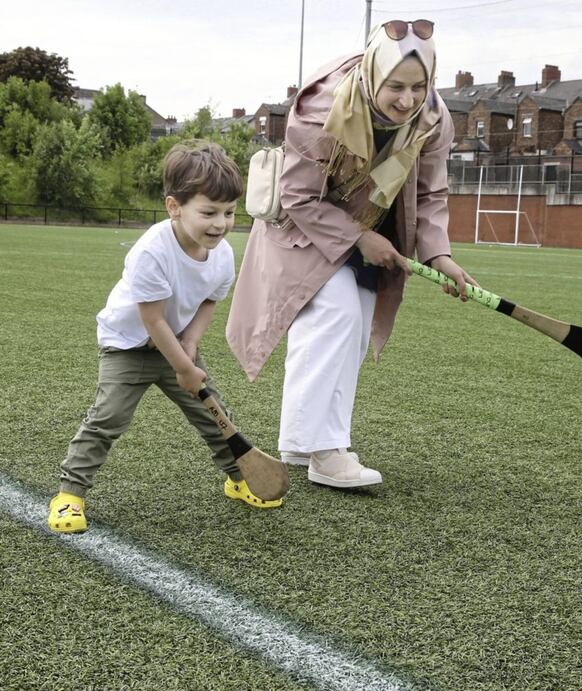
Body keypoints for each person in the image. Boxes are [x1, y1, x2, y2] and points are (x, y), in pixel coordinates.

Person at [227, 19, 476, 489]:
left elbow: (431, 194)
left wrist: (439, 254)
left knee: (356, 324)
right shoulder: (323, 107)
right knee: (336, 314)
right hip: (305, 225)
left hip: (373, 221)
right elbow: (298, 195)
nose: (407, 99)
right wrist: (361, 239)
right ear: (373, 74)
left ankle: (301, 443)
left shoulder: (434, 117)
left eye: (419, 87)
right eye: (396, 86)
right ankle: (326, 453)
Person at [48, 141, 278, 535]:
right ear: (175, 207)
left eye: (228, 212)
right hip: (129, 346)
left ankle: (238, 479)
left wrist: (190, 344)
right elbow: (152, 320)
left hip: (176, 342)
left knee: (213, 415)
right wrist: (185, 370)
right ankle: (70, 493)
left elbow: (209, 300)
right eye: (208, 212)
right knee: (108, 418)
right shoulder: (152, 252)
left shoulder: (221, 254)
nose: (220, 224)